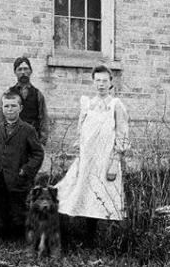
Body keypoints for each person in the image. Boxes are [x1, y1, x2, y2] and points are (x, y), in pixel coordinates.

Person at [54, 65, 129, 245]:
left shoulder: (115, 105)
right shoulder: (87, 103)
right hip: (87, 159)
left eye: (105, 81)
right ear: (93, 82)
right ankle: (82, 239)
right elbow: (81, 132)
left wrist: (115, 160)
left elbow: (122, 133)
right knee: (78, 193)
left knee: (106, 198)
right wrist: (81, 155)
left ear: (111, 83)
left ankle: (111, 242)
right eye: (98, 81)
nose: (101, 84)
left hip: (106, 159)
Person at [0, 91, 45, 243]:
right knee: (0, 209)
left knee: (18, 210)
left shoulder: (27, 130)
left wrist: (26, 170)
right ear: (2, 108)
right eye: (6, 106)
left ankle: (18, 239)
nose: (9, 109)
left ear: (20, 108)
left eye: (13, 106)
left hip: (18, 178)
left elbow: (38, 153)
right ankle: (2, 237)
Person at [0, 56, 49, 145]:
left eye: (26, 69)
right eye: (20, 69)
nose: (23, 72)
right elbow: (1, 117)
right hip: (13, 139)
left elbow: (43, 118)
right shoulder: (8, 94)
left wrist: (42, 141)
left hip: (32, 140)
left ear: (30, 71)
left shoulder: (38, 94)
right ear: (15, 72)